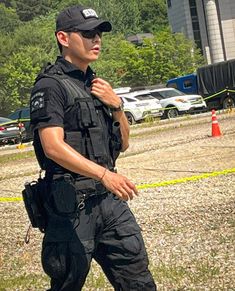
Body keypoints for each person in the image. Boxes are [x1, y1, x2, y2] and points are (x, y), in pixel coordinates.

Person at [30, 4, 156, 291]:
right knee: (67, 284)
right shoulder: (50, 85)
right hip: (72, 206)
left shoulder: (97, 85)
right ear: (63, 38)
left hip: (111, 204)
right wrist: (104, 175)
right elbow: (52, 147)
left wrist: (118, 107)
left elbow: (123, 144)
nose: (96, 39)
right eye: (87, 33)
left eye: (98, 33)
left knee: (139, 282)